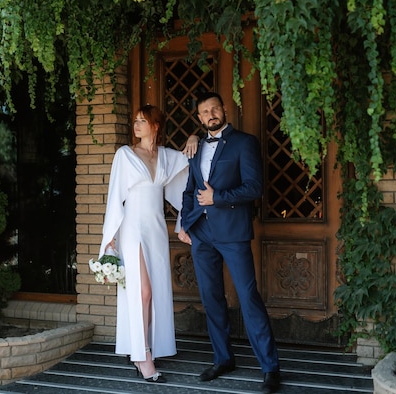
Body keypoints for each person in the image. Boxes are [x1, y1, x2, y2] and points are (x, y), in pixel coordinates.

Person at [177, 92, 281, 393]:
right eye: (204, 112)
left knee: (248, 298)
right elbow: (189, 191)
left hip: (233, 232)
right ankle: (223, 359)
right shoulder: (195, 147)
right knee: (211, 299)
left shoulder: (244, 142)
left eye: (214, 108)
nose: (210, 114)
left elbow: (254, 187)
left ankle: (270, 368)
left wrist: (217, 198)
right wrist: (185, 223)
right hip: (202, 234)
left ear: (224, 109)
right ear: (199, 119)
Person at [99, 104, 198, 383]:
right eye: (135, 121)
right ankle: (142, 356)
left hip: (156, 230)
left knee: (155, 292)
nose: (137, 125)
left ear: (155, 125)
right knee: (142, 292)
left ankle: (149, 347)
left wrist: (193, 138)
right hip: (132, 229)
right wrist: (109, 240)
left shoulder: (166, 157)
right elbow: (114, 197)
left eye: (143, 121)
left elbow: (189, 171)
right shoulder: (125, 155)